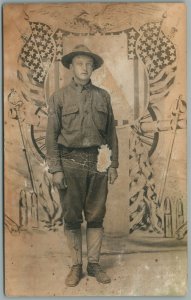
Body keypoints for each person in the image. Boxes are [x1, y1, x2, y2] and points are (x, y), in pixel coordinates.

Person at [45, 45, 119, 286]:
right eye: (79, 63)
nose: (85, 68)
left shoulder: (103, 96)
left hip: (99, 163)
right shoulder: (59, 98)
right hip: (70, 163)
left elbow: (111, 134)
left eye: (89, 64)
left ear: (93, 68)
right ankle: (76, 266)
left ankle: (94, 264)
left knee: (96, 216)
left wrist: (114, 165)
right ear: (70, 67)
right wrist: (56, 168)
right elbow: (50, 136)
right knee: (72, 217)